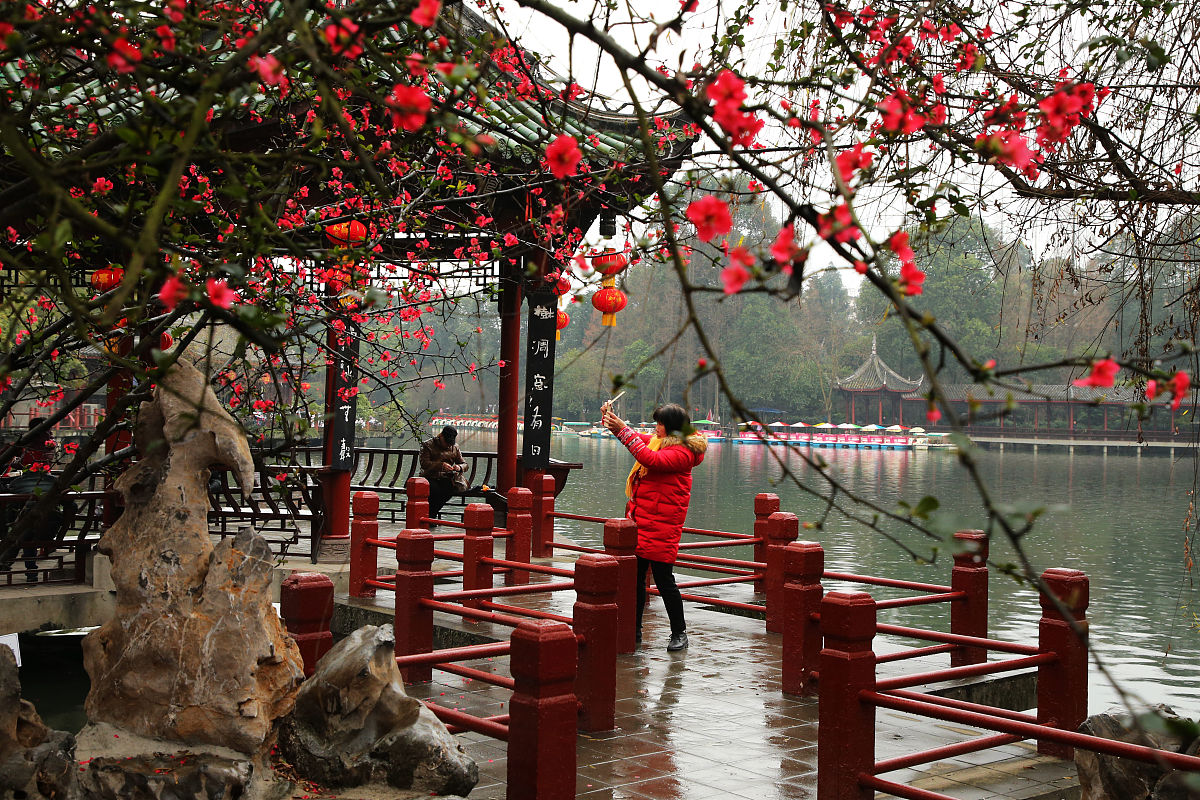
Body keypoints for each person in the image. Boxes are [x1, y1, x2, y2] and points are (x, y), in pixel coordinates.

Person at [602, 402, 707, 652]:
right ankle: (634, 630)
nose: (655, 428)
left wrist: (622, 429)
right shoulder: (661, 442)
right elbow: (638, 440)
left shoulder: (684, 452)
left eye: (660, 423)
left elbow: (650, 459)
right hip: (642, 522)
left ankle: (679, 632)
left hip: (663, 526)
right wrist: (613, 421)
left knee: (664, 580)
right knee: (636, 581)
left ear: (671, 427)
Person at [418, 425, 468, 519]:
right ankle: (431, 516)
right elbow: (424, 463)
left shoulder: (455, 447)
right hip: (429, 477)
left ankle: (430, 516)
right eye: (446, 442)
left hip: (447, 478)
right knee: (435, 491)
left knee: (449, 489)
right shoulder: (428, 445)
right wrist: (441, 466)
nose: (448, 445)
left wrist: (459, 467)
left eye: (450, 443)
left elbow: (464, 464)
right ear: (441, 436)